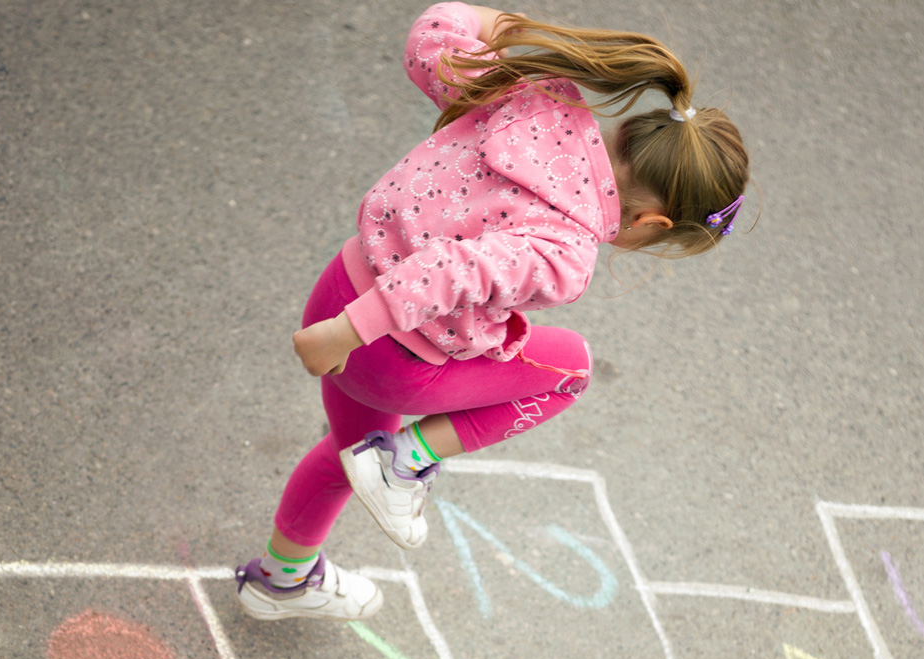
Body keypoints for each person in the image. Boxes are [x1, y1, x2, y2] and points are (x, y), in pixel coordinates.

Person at [234, 2, 748, 620]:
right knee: (571, 369)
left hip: (338, 288)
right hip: (385, 352)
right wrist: (349, 334)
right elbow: (455, 269)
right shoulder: (567, 249)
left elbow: (432, 37)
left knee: (350, 457)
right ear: (650, 222)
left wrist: (518, 31)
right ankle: (406, 463)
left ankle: (282, 582)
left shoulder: (538, 96)